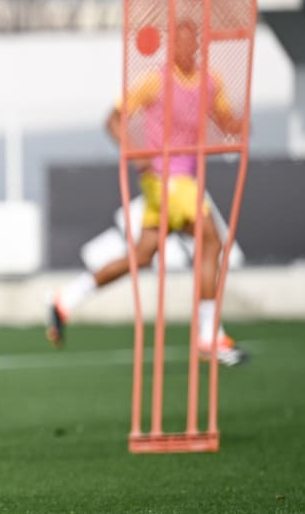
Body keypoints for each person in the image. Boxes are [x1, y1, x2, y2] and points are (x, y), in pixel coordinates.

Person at [46, 20, 248, 366]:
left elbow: (225, 120)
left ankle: (66, 299)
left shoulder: (210, 81)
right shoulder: (155, 80)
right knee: (211, 241)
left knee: (141, 256)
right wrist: (136, 153)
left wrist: (239, 126)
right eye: (178, 43)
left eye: (190, 43)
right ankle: (208, 334)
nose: (184, 50)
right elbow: (113, 118)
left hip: (186, 180)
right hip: (164, 179)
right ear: (171, 47)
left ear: (197, 46)